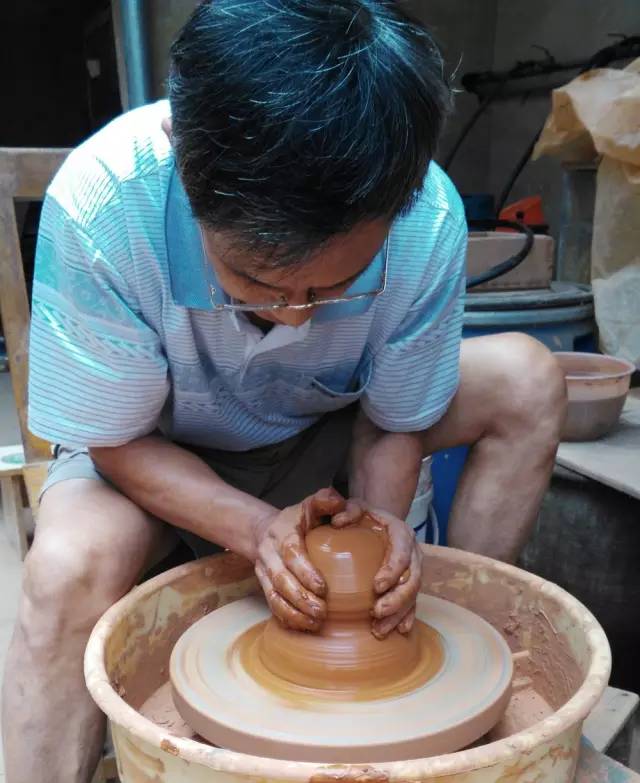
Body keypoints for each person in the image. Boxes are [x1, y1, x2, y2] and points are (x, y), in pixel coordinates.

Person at [1, 1, 566, 781]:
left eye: (335, 285)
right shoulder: (106, 205)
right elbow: (115, 439)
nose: (296, 314)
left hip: (324, 423)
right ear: (182, 152)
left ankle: (447, 645)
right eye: (256, 281)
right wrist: (257, 527)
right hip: (158, 445)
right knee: (65, 567)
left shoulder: (422, 215)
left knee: (527, 377)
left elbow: (394, 420)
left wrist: (381, 533)